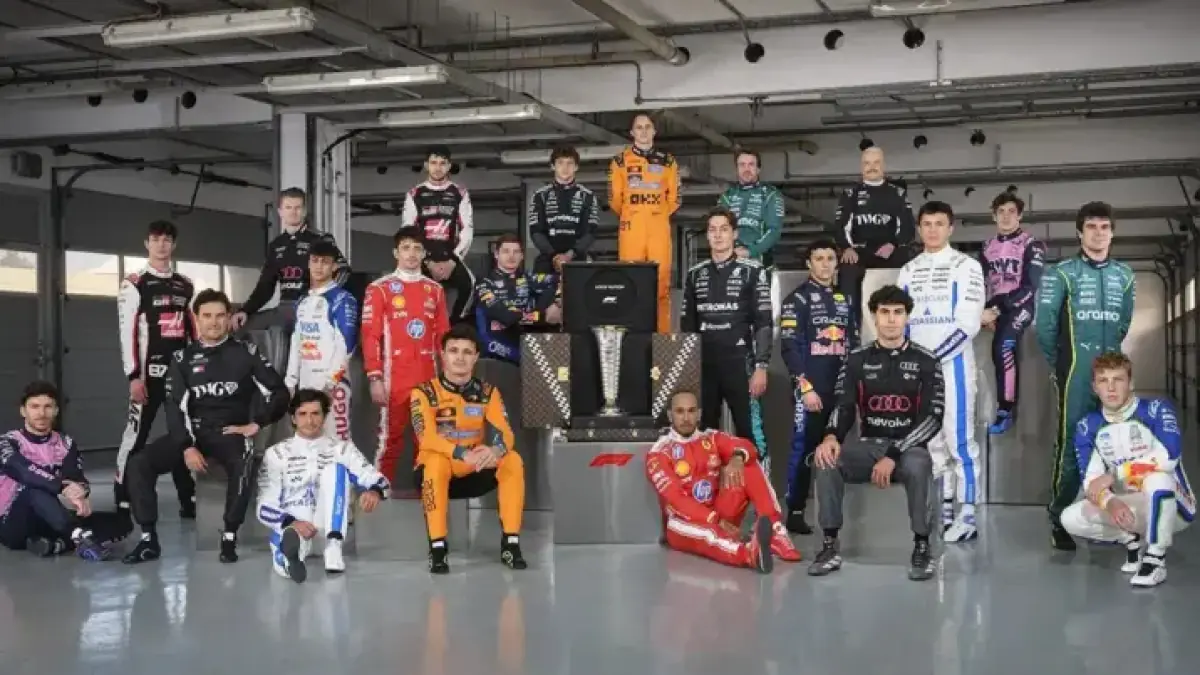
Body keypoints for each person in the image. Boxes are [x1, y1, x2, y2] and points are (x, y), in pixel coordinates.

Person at [809, 285, 943, 581]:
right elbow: (843, 405)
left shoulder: (927, 360)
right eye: (885, 312)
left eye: (898, 313)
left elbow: (933, 419)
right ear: (874, 317)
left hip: (908, 449)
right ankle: (829, 546)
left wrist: (893, 455)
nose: (891, 319)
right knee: (826, 459)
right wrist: (831, 436)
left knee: (919, 464)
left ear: (907, 317)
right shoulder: (856, 358)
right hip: (868, 446)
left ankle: (922, 547)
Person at [160, 289, 290, 564]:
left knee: (244, 461)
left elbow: (279, 393)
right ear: (196, 319)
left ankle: (229, 534)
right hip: (191, 434)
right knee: (140, 463)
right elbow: (173, 407)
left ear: (229, 318)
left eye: (220, 316)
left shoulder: (246, 353)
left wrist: (257, 423)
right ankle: (148, 537)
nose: (214, 322)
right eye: (207, 316)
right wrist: (186, 446)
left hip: (229, 433)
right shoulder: (182, 358)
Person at [1036, 201, 1136, 551]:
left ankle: (1113, 519)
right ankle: (1058, 517)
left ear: (1112, 232)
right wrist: (1062, 366)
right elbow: (1045, 328)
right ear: (1080, 233)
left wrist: (1112, 367)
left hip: (1115, 373)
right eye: (1091, 227)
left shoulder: (1125, 275)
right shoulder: (1061, 273)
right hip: (1077, 374)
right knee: (1070, 446)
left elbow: (1124, 323)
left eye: (1104, 227)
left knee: (1119, 445)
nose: (1098, 233)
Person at [1062, 352, 1194, 587]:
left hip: (1174, 505)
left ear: (1131, 383)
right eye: (1103, 381)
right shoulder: (1087, 426)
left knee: (1157, 479)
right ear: (1095, 387)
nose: (1111, 388)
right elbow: (1092, 481)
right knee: (1070, 518)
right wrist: (1111, 502)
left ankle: (1156, 558)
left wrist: (1115, 474)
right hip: (1132, 506)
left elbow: (1169, 456)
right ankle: (1132, 539)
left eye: (1118, 379)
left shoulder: (1156, 409)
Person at [898, 201, 986, 543]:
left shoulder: (967, 266)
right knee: (931, 443)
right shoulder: (907, 270)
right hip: (919, 372)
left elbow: (968, 324)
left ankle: (968, 514)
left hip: (955, 369)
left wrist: (931, 361)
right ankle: (945, 508)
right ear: (919, 229)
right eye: (927, 224)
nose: (932, 230)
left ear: (951, 228)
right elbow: (900, 321)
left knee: (959, 441)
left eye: (939, 224)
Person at [410, 324, 527, 574]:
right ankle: (438, 549)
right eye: (454, 351)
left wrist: (495, 451)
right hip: (436, 469)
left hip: (473, 468)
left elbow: (506, 432)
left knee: (513, 460)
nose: (460, 358)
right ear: (443, 355)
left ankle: (511, 544)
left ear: (476, 357)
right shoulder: (424, 393)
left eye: (467, 352)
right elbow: (427, 438)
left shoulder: (487, 392)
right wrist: (461, 453)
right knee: (435, 463)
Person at [645, 390, 801, 572]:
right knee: (708, 534)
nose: (686, 418)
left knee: (748, 464)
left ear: (699, 414)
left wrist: (737, 457)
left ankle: (775, 530)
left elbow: (748, 447)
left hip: (720, 515)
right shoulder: (659, 453)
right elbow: (676, 499)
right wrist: (714, 520)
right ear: (670, 415)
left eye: (691, 411)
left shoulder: (711, 437)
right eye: (680, 411)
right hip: (683, 524)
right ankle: (748, 554)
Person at [256, 389, 390, 583]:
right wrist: (291, 523)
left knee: (335, 469)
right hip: (294, 527)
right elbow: (264, 507)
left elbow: (379, 480)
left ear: (325, 416)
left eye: (315, 414)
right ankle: (290, 557)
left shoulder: (342, 449)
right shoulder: (276, 454)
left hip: (326, 530)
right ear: (293, 418)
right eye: (303, 414)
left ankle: (333, 547)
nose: (309, 421)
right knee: (286, 556)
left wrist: (374, 491)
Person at [115, 219, 196, 525]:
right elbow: (127, 333)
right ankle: (122, 497)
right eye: (156, 239)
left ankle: (188, 498)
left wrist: (195, 369)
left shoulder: (185, 284)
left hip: (179, 375)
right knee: (135, 436)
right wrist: (133, 376)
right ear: (146, 244)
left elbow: (193, 331)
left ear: (174, 245)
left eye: (167, 240)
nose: (161, 245)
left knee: (183, 434)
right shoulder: (134, 283)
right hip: (147, 376)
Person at [680, 207, 773, 460]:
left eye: (724, 229)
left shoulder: (753, 271)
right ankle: (707, 484)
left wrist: (761, 366)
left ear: (734, 234)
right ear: (707, 235)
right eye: (712, 230)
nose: (718, 235)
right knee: (703, 436)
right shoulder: (695, 274)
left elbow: (764, 323)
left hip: (741, 363)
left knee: (750, 434)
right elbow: (687, 328)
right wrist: (689, 370)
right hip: (705, 366)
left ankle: (759, 483)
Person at [362, 226, 450, 485]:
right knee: (389, 440)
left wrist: (448, 380)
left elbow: (444, 338)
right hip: (394, 379)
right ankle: (379, 492)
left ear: (424, 254)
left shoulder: (435, 290)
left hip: (429, 378)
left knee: (430, 440)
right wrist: (375, 377)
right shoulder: (379, 288)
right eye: (406, 248)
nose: (411, 253)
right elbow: (370, 336)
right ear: (396, 253)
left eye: (417, 248)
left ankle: (430, 493)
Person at [779, 238, 856, 535]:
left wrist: (852, 385)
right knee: (804, 449)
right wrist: (805, 387)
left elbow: (852, 345)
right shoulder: (796, 300)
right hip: (810, 390)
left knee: (834, 449)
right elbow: (789, 348)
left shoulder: (844, 300)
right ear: (808, 263)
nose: (825, 264)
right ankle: (795, 511)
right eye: (819, 258)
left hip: (840, 389)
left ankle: (831, 514)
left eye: (830, 258)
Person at [0, 381, 127, 560]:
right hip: (11, 523)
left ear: (56, 410)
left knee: (121, 523)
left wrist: (81, 493)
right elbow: (24, 472)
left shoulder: (65, 443)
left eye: (47, 407)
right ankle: (78, 537)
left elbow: (75, 476)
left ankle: (53, 545)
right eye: (34, 407)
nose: (41, 413)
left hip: (48, 517)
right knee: (33, 489)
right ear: (23, 411)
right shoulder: (8, 442)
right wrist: (62, 487)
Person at [232, 187, 349, 333]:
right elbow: (265, 286)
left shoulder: (320, 239)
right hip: (285, 308)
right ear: (280, 212)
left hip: (314, 308)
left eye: (297, 208)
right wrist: (245, 310)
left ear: (304, 211)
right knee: (242, 329)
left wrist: (321, 300)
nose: (293, 212)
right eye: (288, 207)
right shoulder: (276, 245)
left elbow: (343, 271)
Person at [979, 192, 1046, 434]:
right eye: (1001, 212)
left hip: (1021, 306)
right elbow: (981, 283)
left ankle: (1005, 410)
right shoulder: (987, 247)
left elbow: (1030, 287)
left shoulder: (1032, 244)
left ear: (1020, 216)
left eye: (1011, 211)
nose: (1006, 216)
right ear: (993, 216)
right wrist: (984, 309)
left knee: (1003, 345)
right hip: (994, 306)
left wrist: (997, 310)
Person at [608, 113, 681, 333]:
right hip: (632, 228)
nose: (643, 131)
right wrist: (634, 214)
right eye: (639, 127)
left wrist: (656, 214)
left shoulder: (668, 161)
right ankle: (632, 336)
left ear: (654, 131)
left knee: (662, 284)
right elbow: (615, 200)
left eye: (648, 127)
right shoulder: (620, 162)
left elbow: (675, 198)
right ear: (632, 133)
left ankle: (662, 337)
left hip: (659, 227)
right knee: (630, 282)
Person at [832, 146, 916, 332]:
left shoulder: (897, 193)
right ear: (861, 166)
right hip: (859, 252)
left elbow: (908, 227)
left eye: (876, 162)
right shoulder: (850, 194)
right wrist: (846, 247)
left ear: (883, 165)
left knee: (908, 267)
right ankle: (850, 328)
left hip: (890, 251)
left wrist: (893, 244)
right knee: (847, 269)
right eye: (867, 163)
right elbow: (840, 226)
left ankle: (906, 325)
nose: (872, 167)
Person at [285, 239, 358, 441]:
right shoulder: (302, 301)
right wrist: (290, 383)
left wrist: (330, 383)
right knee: (307, 438)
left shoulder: (342, 299)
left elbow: (347, 344)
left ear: (334, 267)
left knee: (338, 441)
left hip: (334, 384)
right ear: (308, 263)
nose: (319, 266)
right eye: (315, 261)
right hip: (305, 383)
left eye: (325, 262)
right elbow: (296, 342)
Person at [403, 146, 476, 323]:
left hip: (451, 255)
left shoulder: (460, 193)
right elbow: (408, 231)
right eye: (433, 163)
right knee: (407, 289)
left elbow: (467, 229)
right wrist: (426, 261)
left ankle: (454, 326)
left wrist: (453, 260)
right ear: (426, 165)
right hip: (423, 258)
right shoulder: (414, 194)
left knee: (471, 285)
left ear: (449, 166)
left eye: (442, 163)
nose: (438, 167)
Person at [475, 234, 561, 364]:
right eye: (506, 251)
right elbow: (506, 316)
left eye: (516, 252)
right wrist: (542, 317)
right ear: (496, 254)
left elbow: (562, 279)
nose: (511, 256)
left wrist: (557, 301)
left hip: (527, 339)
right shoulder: (484, 281)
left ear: (522, 256)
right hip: (496, 343)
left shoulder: (527, 278)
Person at [528, 146, 600, 274]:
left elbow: (590, 232)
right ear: (553, 166)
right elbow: (536, 232)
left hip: (578, 261)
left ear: (576, 167)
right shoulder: (540, 196)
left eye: (569, 163)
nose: (565, 168)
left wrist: (570, 255)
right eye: (560, 163)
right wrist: (554, 256)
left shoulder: (588, 196)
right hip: (547, 261)